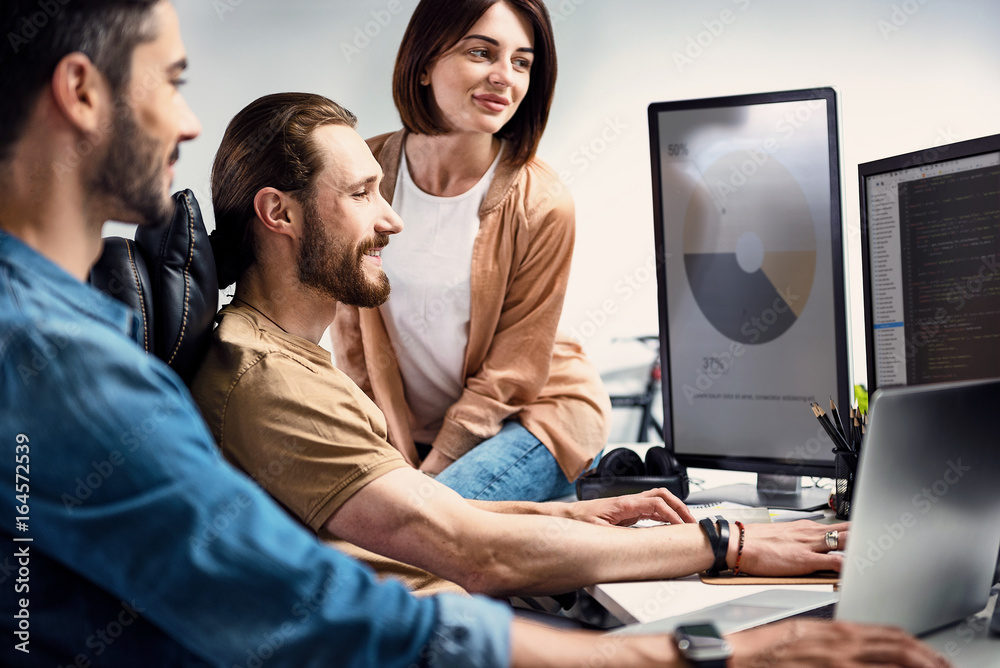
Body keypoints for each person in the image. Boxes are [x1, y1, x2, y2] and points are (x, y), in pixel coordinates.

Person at [0, 2, 952, 667]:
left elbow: (485, 420)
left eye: (522, 60)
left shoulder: (519, 207)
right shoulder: (173, 373)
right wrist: (721, 579)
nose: (392, 219)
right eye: (170, 77)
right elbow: (426, 558)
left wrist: (578, 516)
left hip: (522, 428)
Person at [329, 0, 610, 502]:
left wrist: (426, 480)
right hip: (411, 433)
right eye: (482, 52)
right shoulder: (360, 171)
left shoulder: (542, 203)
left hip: (535, 418)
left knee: (415, 541)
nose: (505, 77)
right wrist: (393, 462)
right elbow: (352, 347)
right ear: (423, 65)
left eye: (522, 62)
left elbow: (513, 374)